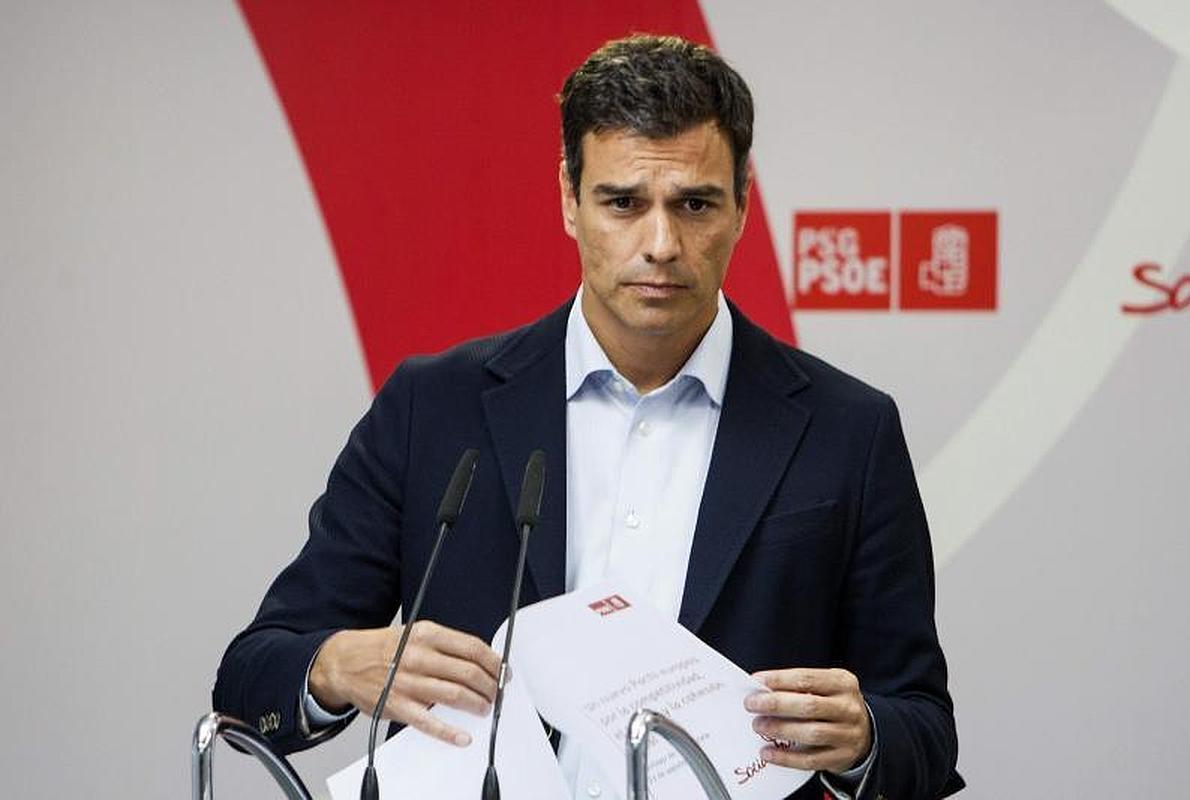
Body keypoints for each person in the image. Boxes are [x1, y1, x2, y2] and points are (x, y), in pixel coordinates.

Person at [214, 34, 962, 799]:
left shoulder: (848, 430)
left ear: (742, 205)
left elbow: (925, 731)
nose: (661, 244)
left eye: (695, 204)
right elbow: (249, 676)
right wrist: (335, 666)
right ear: (569, 200)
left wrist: (863, 737)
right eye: (623, 203)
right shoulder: (432, 408)